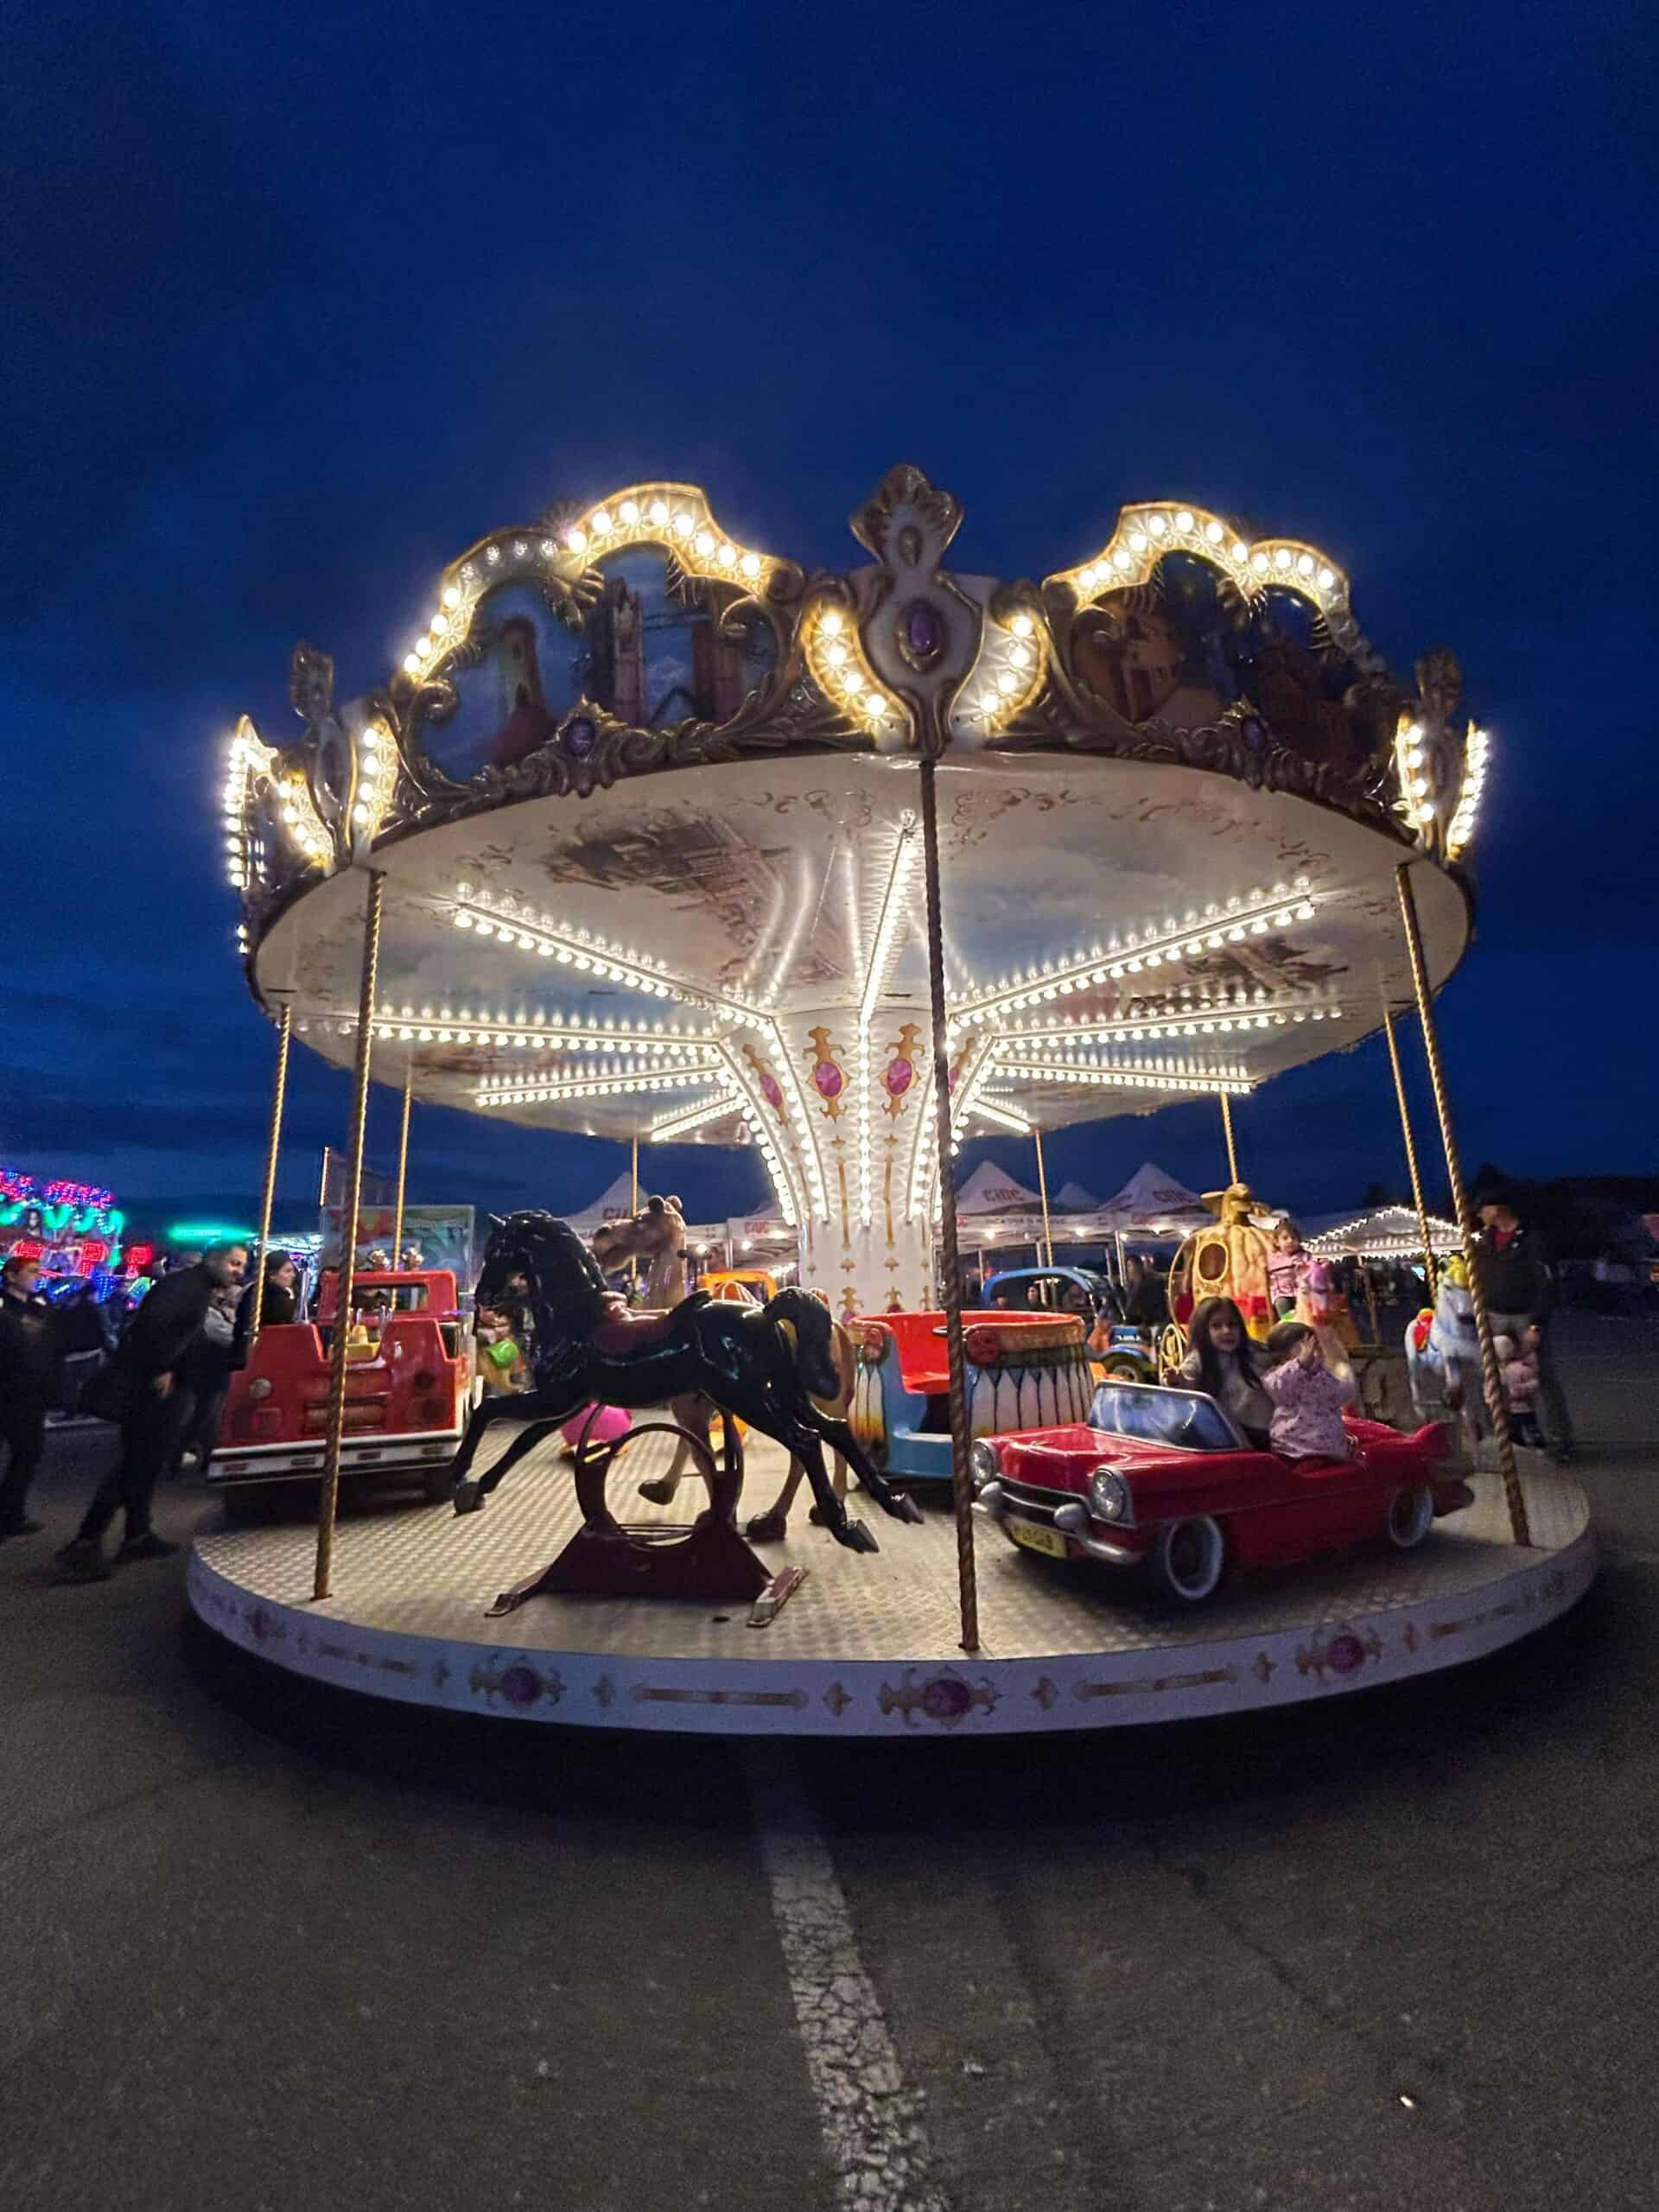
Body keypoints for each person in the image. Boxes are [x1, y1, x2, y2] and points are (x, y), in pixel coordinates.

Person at [54, 1241, 248, 1582]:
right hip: (152, 1389)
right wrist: (163, 1367)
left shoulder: (193, 1289)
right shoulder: (184, 1288)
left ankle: (137, 1533)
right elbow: (152, 1328)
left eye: (241, 1265)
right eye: (233, 1263)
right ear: (213, 1261)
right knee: (136, 1463)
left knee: (146, 1463)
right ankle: (86, 1540)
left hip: (162, 1385)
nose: (238, 1271)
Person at [1472, 1182, 1573, 1463]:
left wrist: (1536, 1324)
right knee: (1493, 1377)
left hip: (1524, 1315)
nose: (1480, 1214)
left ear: (1498, 1209)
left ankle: (1560, 1439)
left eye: (1484, 1209)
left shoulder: (1531, 1240)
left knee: (1542, 1378)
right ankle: (1504, 1434)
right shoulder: (1485, 1242)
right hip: (1494, 1315)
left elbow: (1547, 1284)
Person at [0, 1255, 56, 1537]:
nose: (37, 1276)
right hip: (6, 1390)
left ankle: (11, 1514)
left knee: (28, 1456)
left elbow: (49, 1347)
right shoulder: (4, 1309)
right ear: (11, 1276)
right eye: (31, 1271)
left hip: (30, 1394)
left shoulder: (39, 1308)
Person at [1178, 1296, 1271, 1446]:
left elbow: (1276, 1360)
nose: (1227, 1331)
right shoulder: (1201, 1357)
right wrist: (1180, 1381)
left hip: (1261, 1432)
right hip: (1227, 1433)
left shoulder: (1253, 1351)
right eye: (1216, 1326)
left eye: (1232, 1324)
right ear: (1203, 1331)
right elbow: (1186, 1377)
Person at [1261, 1320, 1357, 1463]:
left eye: (1317, 1346)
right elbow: (1276, 1389)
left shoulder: (1321, 1374)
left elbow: (1343, 1396)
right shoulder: (1278, 1376)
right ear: (1283, 1356)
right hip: (1295, 1450)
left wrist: (1339, 1366)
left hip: (1331, 1449)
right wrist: (1300, 1364)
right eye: (1306, 1348)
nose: (1315, 1352)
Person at [1492, 1332, 1544, 1449]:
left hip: (1524, 1408)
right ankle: (1520, 1449)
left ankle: (1540, 1448)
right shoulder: (1495, 1371)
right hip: (1507, 1410)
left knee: (1532, 1428)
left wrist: (1520, 1389)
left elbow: (1534, 1383)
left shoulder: (1520, 1368)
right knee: (1514, 1434)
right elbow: (1489, 1387)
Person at [1266, 1221, 1312, 1319]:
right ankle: (1288, 1323)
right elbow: (1267, 1271)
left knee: (1308, 1304)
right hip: (1281, 1292)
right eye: (1285, 1238)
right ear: (1277, 1242)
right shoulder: (1273, 1258)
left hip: (1301, 1291)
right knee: (1282, 1303)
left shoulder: (1304, 1256)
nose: (1290, 1241)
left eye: (1293, 1238)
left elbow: (1311, 1270)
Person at [1119, 1254, 1167, 1329]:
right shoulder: (1131, 1285)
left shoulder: (1152, 1283)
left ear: (1138, 1266)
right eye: (1127, 1266)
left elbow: (1155, 1306)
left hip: (1150, 1322)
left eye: (1130, 1265)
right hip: (1135, 1321)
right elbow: (1129, 1307)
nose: (1128, 1269)